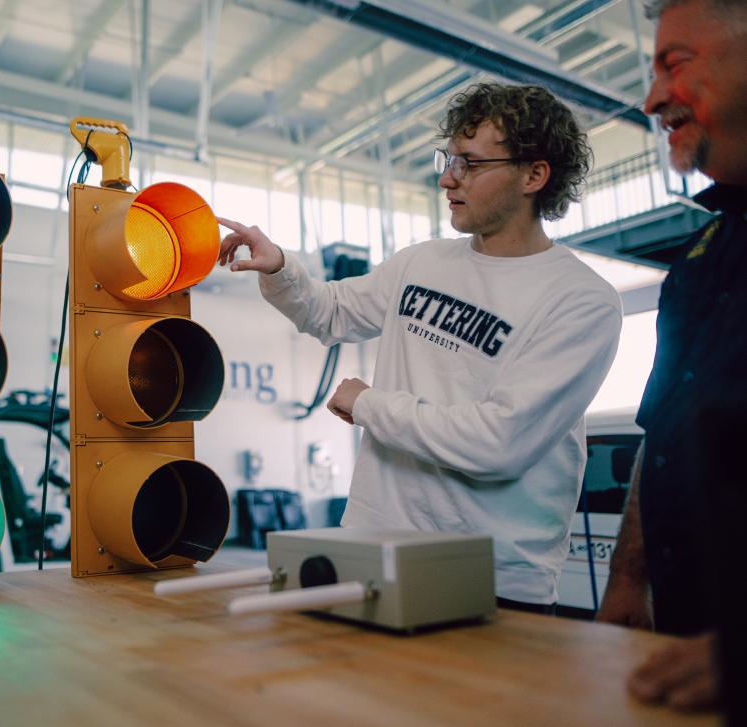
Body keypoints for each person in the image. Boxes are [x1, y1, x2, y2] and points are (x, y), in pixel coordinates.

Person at [218, 82, 623, 612]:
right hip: (374, 545)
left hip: (492, 577)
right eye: (449, 158)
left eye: (471, 164)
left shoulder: (581, 300)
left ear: (534, 174)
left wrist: (368, 404)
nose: (447, 177)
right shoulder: (423, 262)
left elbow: (498, 442)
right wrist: (281, 269)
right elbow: (332, 311)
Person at [596, 0, 747, 712]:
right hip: (686, 653)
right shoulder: (700, 256)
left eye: (674, 64)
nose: (652, 98)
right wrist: (631, 577)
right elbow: (663, 431)